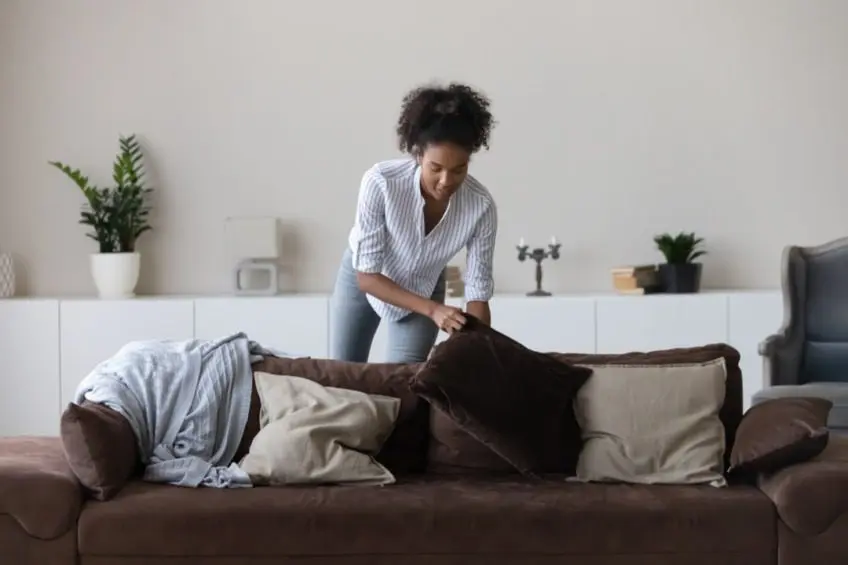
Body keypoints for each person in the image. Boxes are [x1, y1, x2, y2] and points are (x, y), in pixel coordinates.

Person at [330, 81, 498, 364]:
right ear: (418, 154)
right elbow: (366, 277)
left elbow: (478, 293)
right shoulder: (380, 182)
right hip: (365, 281)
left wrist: (478, 351)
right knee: (344, 376)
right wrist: (434, 310)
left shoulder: (480, 206)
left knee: (406, 385)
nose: (446, 182)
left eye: (459, 170)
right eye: (436, 168)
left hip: (424, 287)